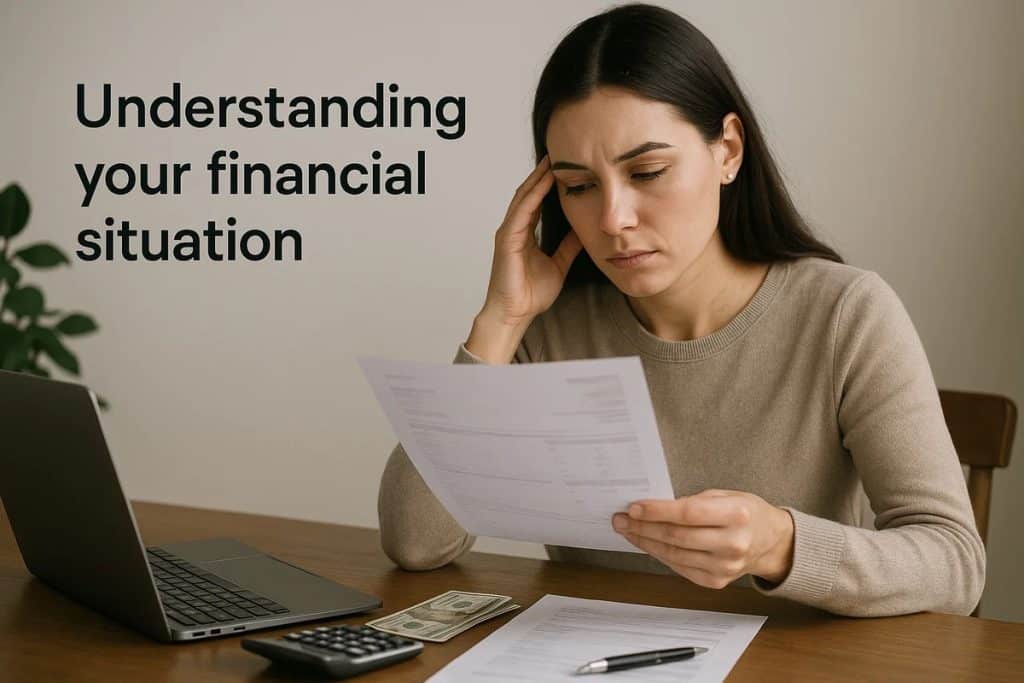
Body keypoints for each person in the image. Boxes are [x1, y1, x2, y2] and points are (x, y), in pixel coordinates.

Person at [377, 3, 985, 617]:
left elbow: (954, 565)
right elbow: (417, 542)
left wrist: (781, 544)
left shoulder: (845, 315)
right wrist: (500, 322)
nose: (613, 220)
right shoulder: (547, 329)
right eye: (579, 186)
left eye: (648, 171)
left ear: (728, 151)